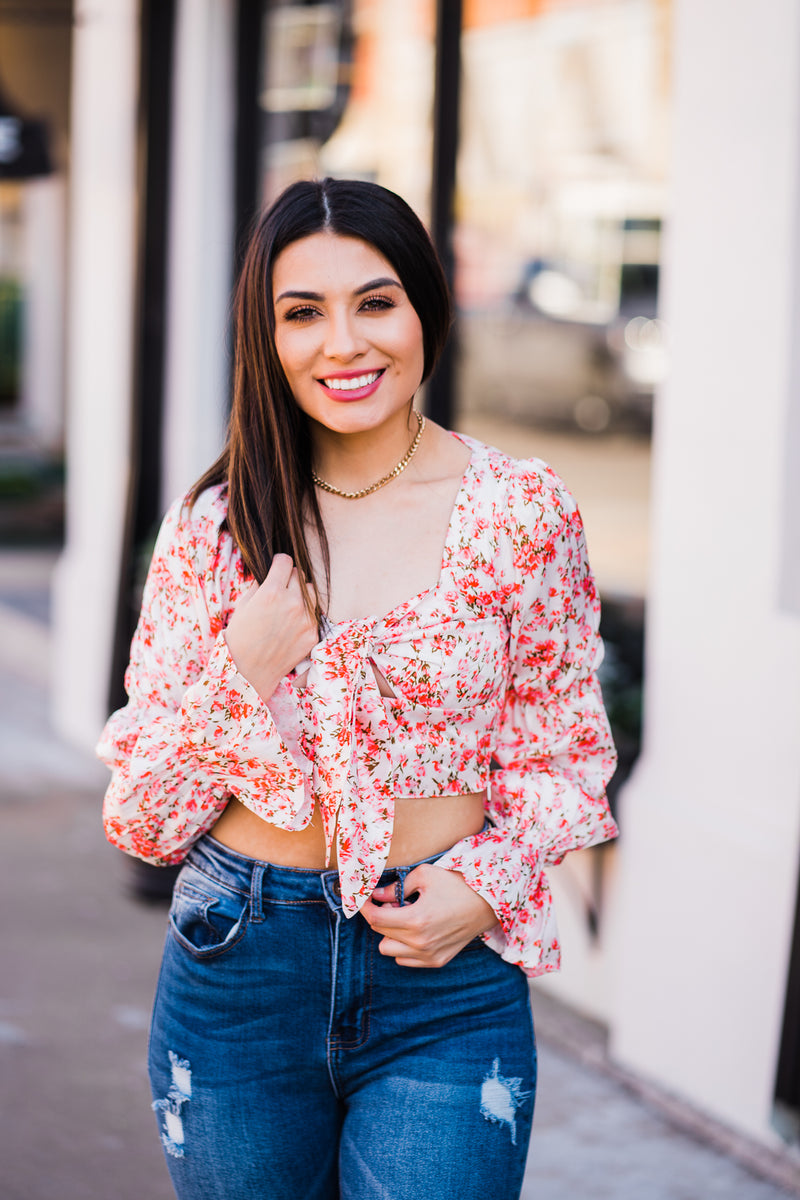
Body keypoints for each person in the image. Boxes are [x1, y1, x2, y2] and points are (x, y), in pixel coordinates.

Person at [98, 177, 618, 1200]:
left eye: (374, 302)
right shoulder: (214, 529)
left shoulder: (519, 512)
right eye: (303, 313)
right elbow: (144, 823)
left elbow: (564, 758)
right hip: (237, 963)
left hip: (440, 967)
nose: (343, 343)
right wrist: (240, 672)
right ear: (267, 336)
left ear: (425, 308)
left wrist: (488, 882)